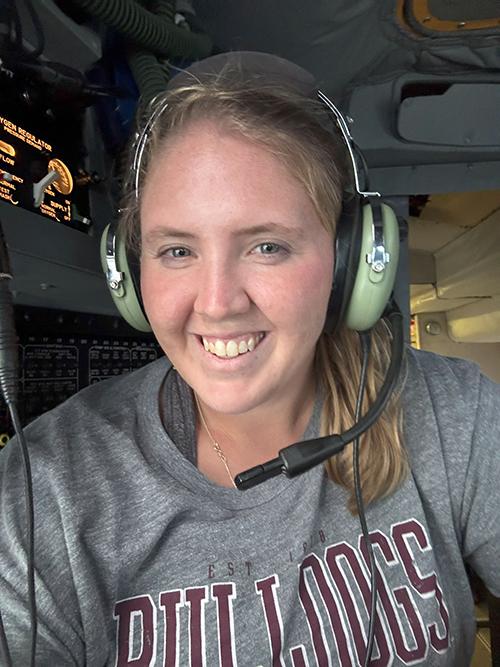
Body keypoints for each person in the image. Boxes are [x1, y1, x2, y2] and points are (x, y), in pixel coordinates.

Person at [0, 51, 499, 667]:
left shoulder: (459, 414)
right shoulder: (43, 488)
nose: (216, 305)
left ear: (352, 264)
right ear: (128, 273)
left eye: (267, 245)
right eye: (177, 251)